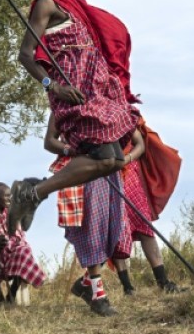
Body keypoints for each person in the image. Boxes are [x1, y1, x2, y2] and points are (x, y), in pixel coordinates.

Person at [9, 0, 140, 235]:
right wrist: (53, 87)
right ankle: (32, 193)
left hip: (96, 90)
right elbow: (25, 55)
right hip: (72, 88)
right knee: (105, 158)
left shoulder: (78, 10)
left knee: (113, 161)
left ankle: (32, 191)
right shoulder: (46, 3)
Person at [45, 113, 131, 316]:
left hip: (110, 168)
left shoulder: (104, 101)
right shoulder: (63, 106)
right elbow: (49, 142)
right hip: (83, 169)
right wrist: (71, 150)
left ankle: (84, 284)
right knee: (91, 228)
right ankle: (98, 296)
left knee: (113, 227)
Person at [109, 122, 184, 295]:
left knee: (145, 227)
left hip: (130, 173)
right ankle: (128, 288)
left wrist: (126, 159)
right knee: (117, 231)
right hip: (105, 175)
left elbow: (140, 144)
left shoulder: (123, 114)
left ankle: (163, 282)